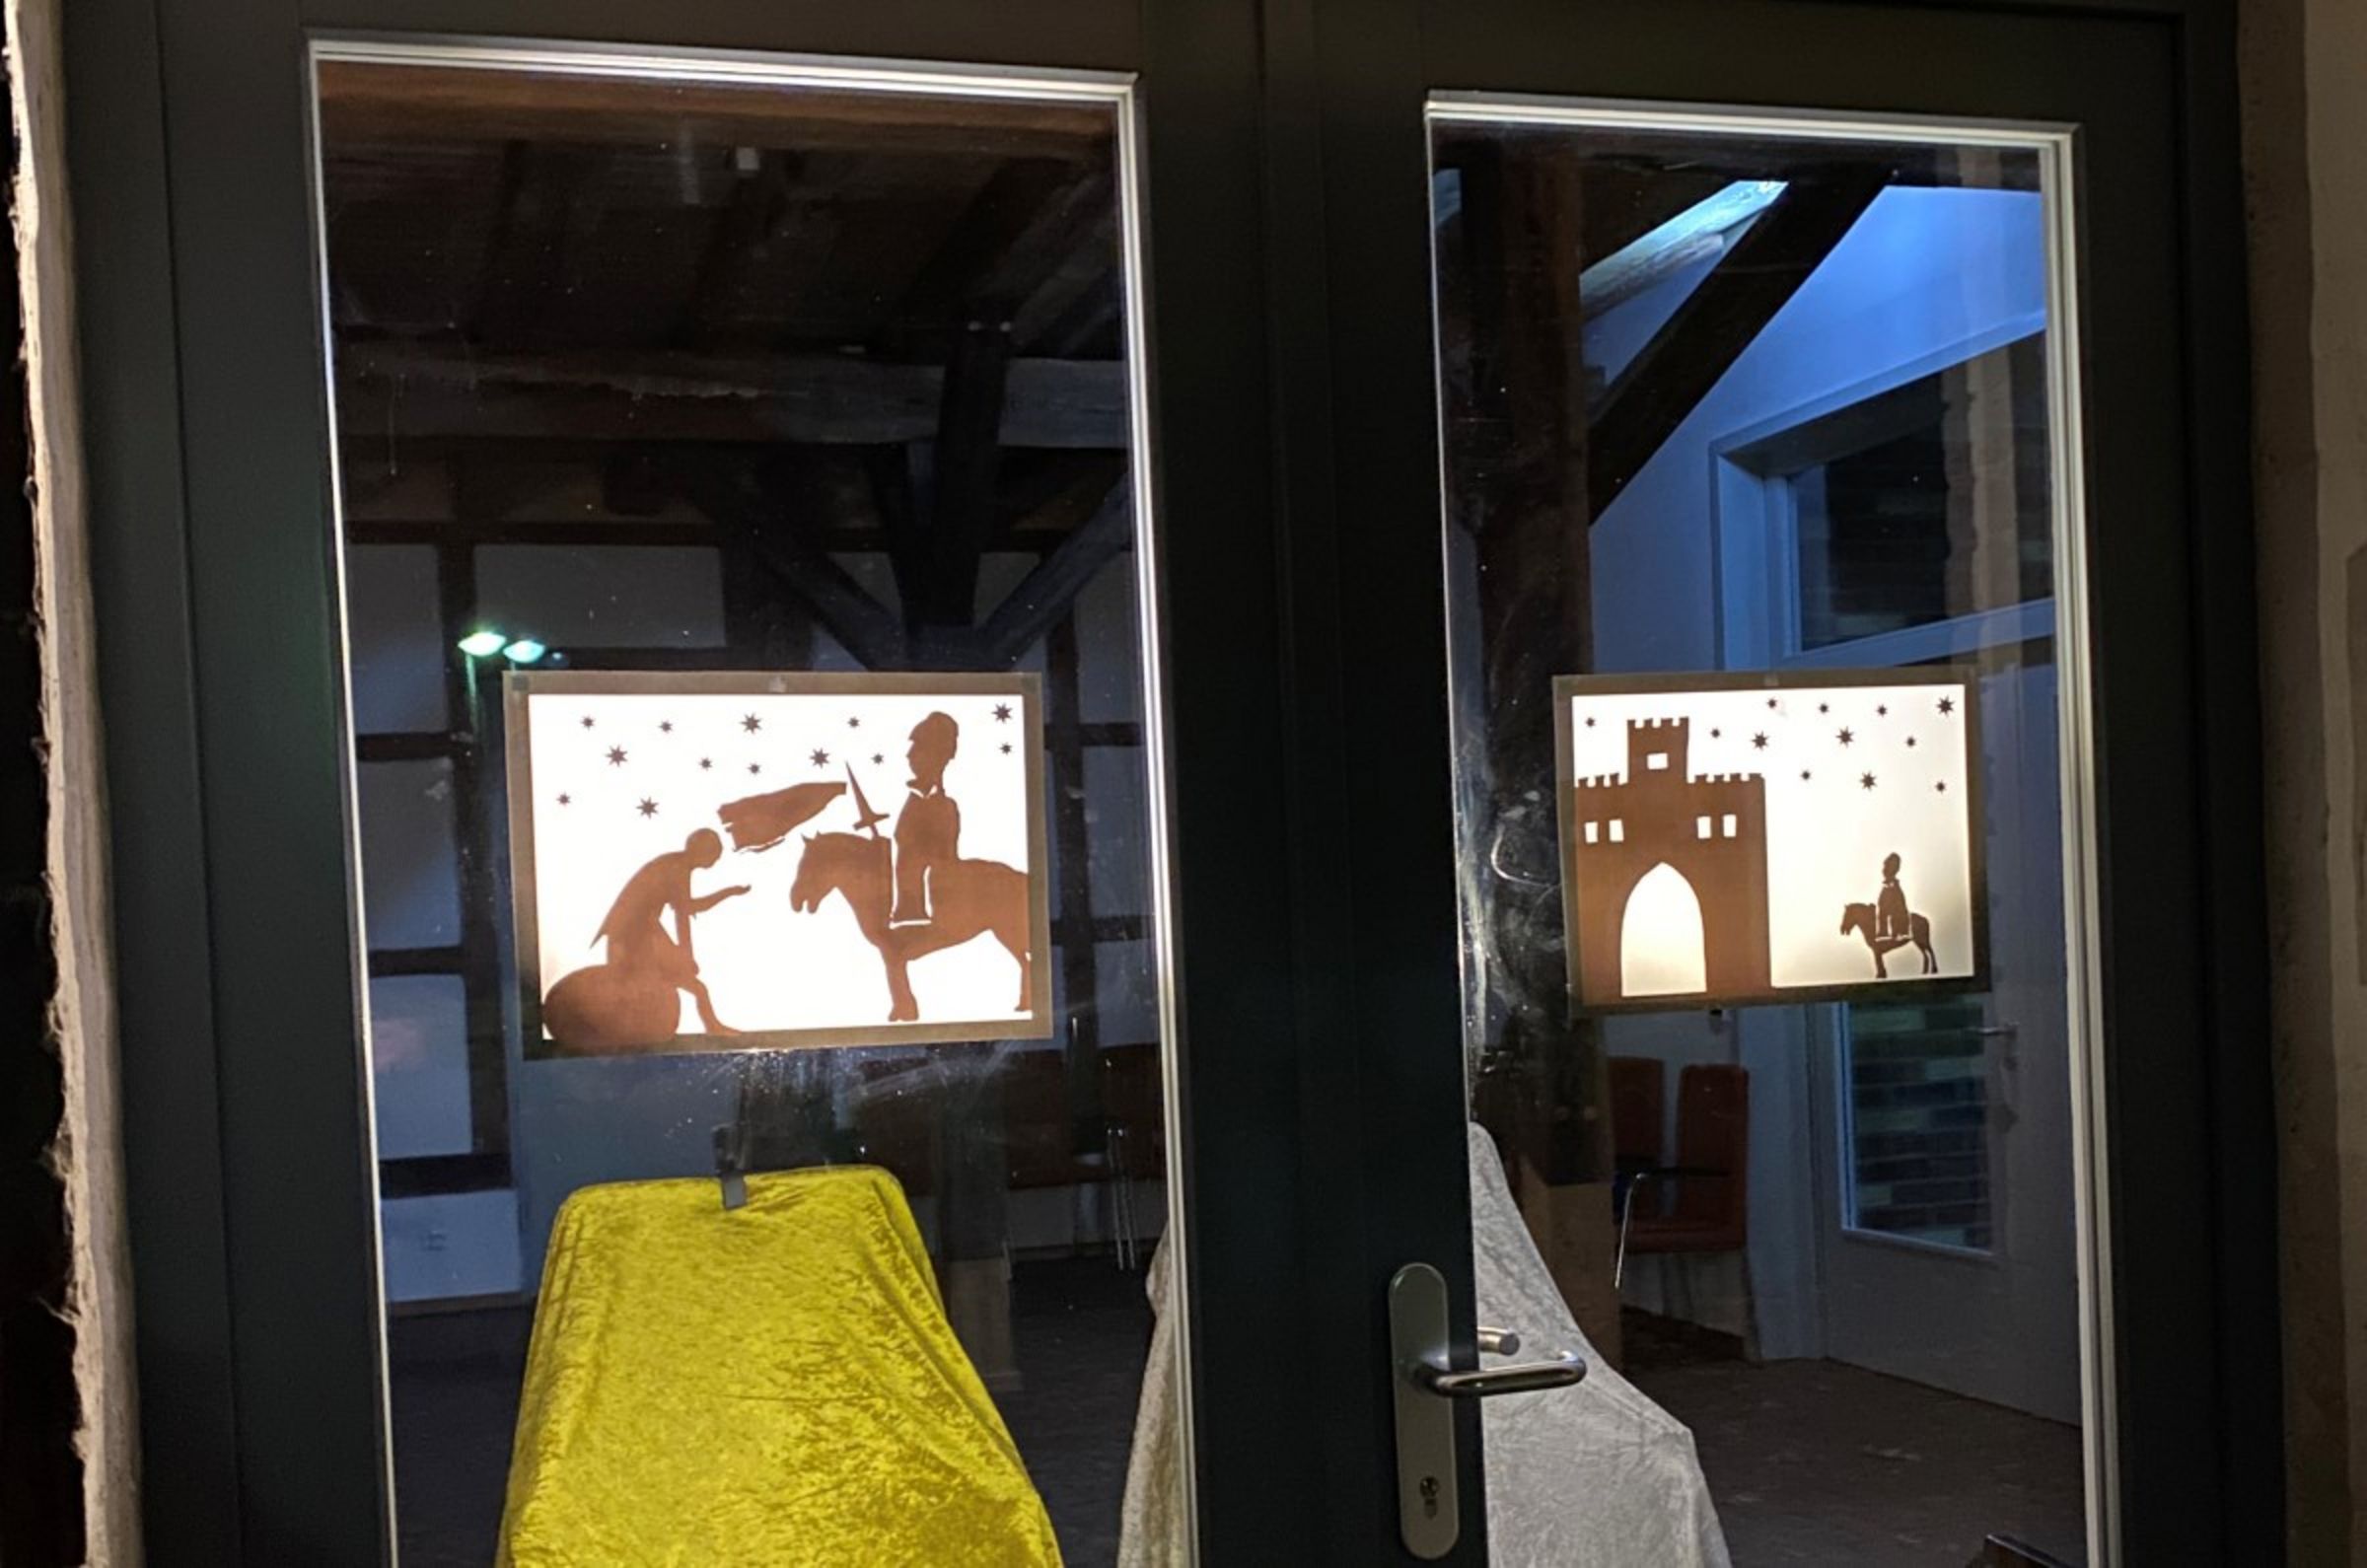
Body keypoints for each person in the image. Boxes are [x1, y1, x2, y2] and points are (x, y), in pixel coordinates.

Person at [593, 827, 750, 1033]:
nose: (717, 858)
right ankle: (710, 1025)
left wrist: (728, 893)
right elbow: (683, 915)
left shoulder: (678, 865)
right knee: (685, 983)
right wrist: (686, 956)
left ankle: (712, 1025)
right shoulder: (677, 867)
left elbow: (687, 907)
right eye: (715, 852)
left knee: (693, 986)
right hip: (632, 934)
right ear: (702, 851)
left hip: (641, 930)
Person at [891, 711, 962, 927]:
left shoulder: (942, 808)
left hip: (925, 917)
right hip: (908, 912)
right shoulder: (916, 801)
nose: (909, 755)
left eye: (917, 747)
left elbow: (943, 864)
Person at [1875, 851, 1909, 945]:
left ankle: (1898, 931)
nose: (1884, 870)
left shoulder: (1894, 887)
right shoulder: (1887, 885)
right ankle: (1883, 932)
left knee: (1895, 911)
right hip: (1888, 887)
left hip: (1892, 891)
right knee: (1882, 910)